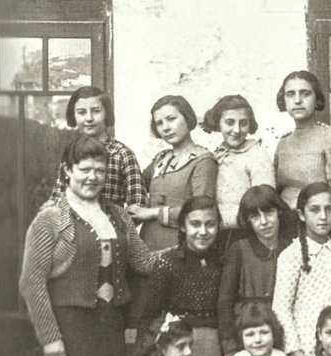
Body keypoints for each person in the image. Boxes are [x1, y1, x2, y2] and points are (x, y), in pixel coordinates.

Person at [20, 133, 157, 356]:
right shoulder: (50, 218)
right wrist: (50, 337)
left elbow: (144, 263)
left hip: (111, 327)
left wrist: (186, 251)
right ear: (67, 171)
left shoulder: (117, 215)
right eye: (84, 169)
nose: (92, 177)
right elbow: (31, 281)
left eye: (99, 169)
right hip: (70, 328)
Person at [134, 195, 225, 356]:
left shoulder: (223, 263)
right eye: (195, 224)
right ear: (183, 226)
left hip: (213, 347)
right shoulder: (167, 263)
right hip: (176, 344)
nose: (203, 231)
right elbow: (149, 314)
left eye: (210, 224)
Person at [272, 182, 331, 356]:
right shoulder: (291, 255)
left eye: (329, 209)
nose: (323, 217)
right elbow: (281, 307)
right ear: (301, 214)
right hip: (307, 346)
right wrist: (295, 350)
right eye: (315, 210)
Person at [128, 95, 217, 251]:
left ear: (187, 118)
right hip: (147, 243)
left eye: (171, 119)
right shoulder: (160, 159)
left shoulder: (203, 160)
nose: (165, 128)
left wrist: (151, 213)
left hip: (180, 245)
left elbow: (201, 212)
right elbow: (135, 183)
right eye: (159, 123)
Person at [217, 184, 292, 356]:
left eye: (269, 213)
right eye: (255, 216)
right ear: (248, 220)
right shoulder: (239, 249)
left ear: (279, 212)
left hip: (282, 333)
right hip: (245, 334)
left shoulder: (291, 248)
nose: (264, 221)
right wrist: (229, 346)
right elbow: (225, 300)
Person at [49, 85, 147, 208]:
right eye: (81, 112)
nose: (89, 118)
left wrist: (116, 223)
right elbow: (57, 199)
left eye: (96, 111)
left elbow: (138, 203)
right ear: (73, 115)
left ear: (107, 113)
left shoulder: (122, 154)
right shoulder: (71, 154)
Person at [202, 94, 275, 251]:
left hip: (247, 235)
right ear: (218, 123)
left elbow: (263, 201)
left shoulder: (256, 155)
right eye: (229, 123)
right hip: (218, 235)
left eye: (243, 123)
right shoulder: (218, 154)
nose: (236, 130)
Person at [274, 70, 331, 210]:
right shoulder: (283, 144)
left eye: (305, 94)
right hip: (286, 221)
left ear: (317, 100)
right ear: (283, 100)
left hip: (319, 221)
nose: (297, 100)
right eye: (290, 94)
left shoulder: (330, 138)